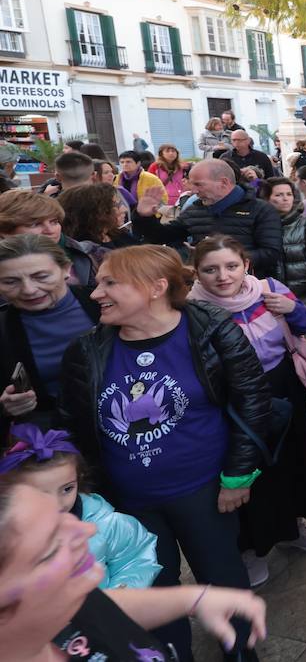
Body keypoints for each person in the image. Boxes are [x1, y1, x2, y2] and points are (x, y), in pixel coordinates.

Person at [57, 245, 273, 659]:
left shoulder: (210, 328)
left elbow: (252, 400)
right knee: (153, 590)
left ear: (155, 288)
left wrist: (238, 475)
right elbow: (73, 425)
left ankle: (241, 652)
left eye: (110, 283)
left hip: (206, 492)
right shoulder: (85, 350)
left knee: (223, 578)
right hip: (129, 500)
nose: (95, 292)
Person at [187, 236, 306, 587]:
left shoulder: (268, 289)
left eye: (231, 266)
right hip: (232, 398)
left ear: (246, 265)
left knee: (292, 460)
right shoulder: (191, 309)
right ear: (197, 272)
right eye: (211, 269)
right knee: (248, 470)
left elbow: (303, 323)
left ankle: (295, 527)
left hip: (282, 384)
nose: (223, 276)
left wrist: (291, 308)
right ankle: (252, 548)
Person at [0, 482, 269, 662]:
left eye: (63, 518)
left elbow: (97, 607)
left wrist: (194, 599)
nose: (88, 530)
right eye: (51, 545)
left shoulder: (61, 603)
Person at [0, 423, 161, 589]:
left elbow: (135, 556)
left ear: (79, 478)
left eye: (67, 489)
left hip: (100, 612)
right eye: (41, 494)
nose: (57, 504)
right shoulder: (7, 533)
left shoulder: (104, 524)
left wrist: (122, 591)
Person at [0, 236, 100, 437]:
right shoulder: (3, 329)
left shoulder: (105, 305)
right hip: (52, 441)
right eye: (11, 281)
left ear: (66, 269)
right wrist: (6, 407)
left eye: (41, 276)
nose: (29, 290)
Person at [133, 158, 284, 279]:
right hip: (209, 292)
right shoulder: (196, 210)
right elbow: (162, 236)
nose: (194, 190)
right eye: (192, 184)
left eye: (199, 184)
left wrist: (224, 261)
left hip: (253, 290)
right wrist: (144, 217)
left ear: (224, 183)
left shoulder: (261, 210)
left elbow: (271, 253)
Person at [260, 177, 306, 364]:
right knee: (286, 347)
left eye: (288, 194)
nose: (285, 199)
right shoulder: (261, 228)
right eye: (278, 195)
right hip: (275, 298)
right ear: (267, 199)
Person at [0, 188, 102, 286]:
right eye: (35, 224)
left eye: (54, 222)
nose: (50, 230)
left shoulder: (92, 253)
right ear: (5, 231)